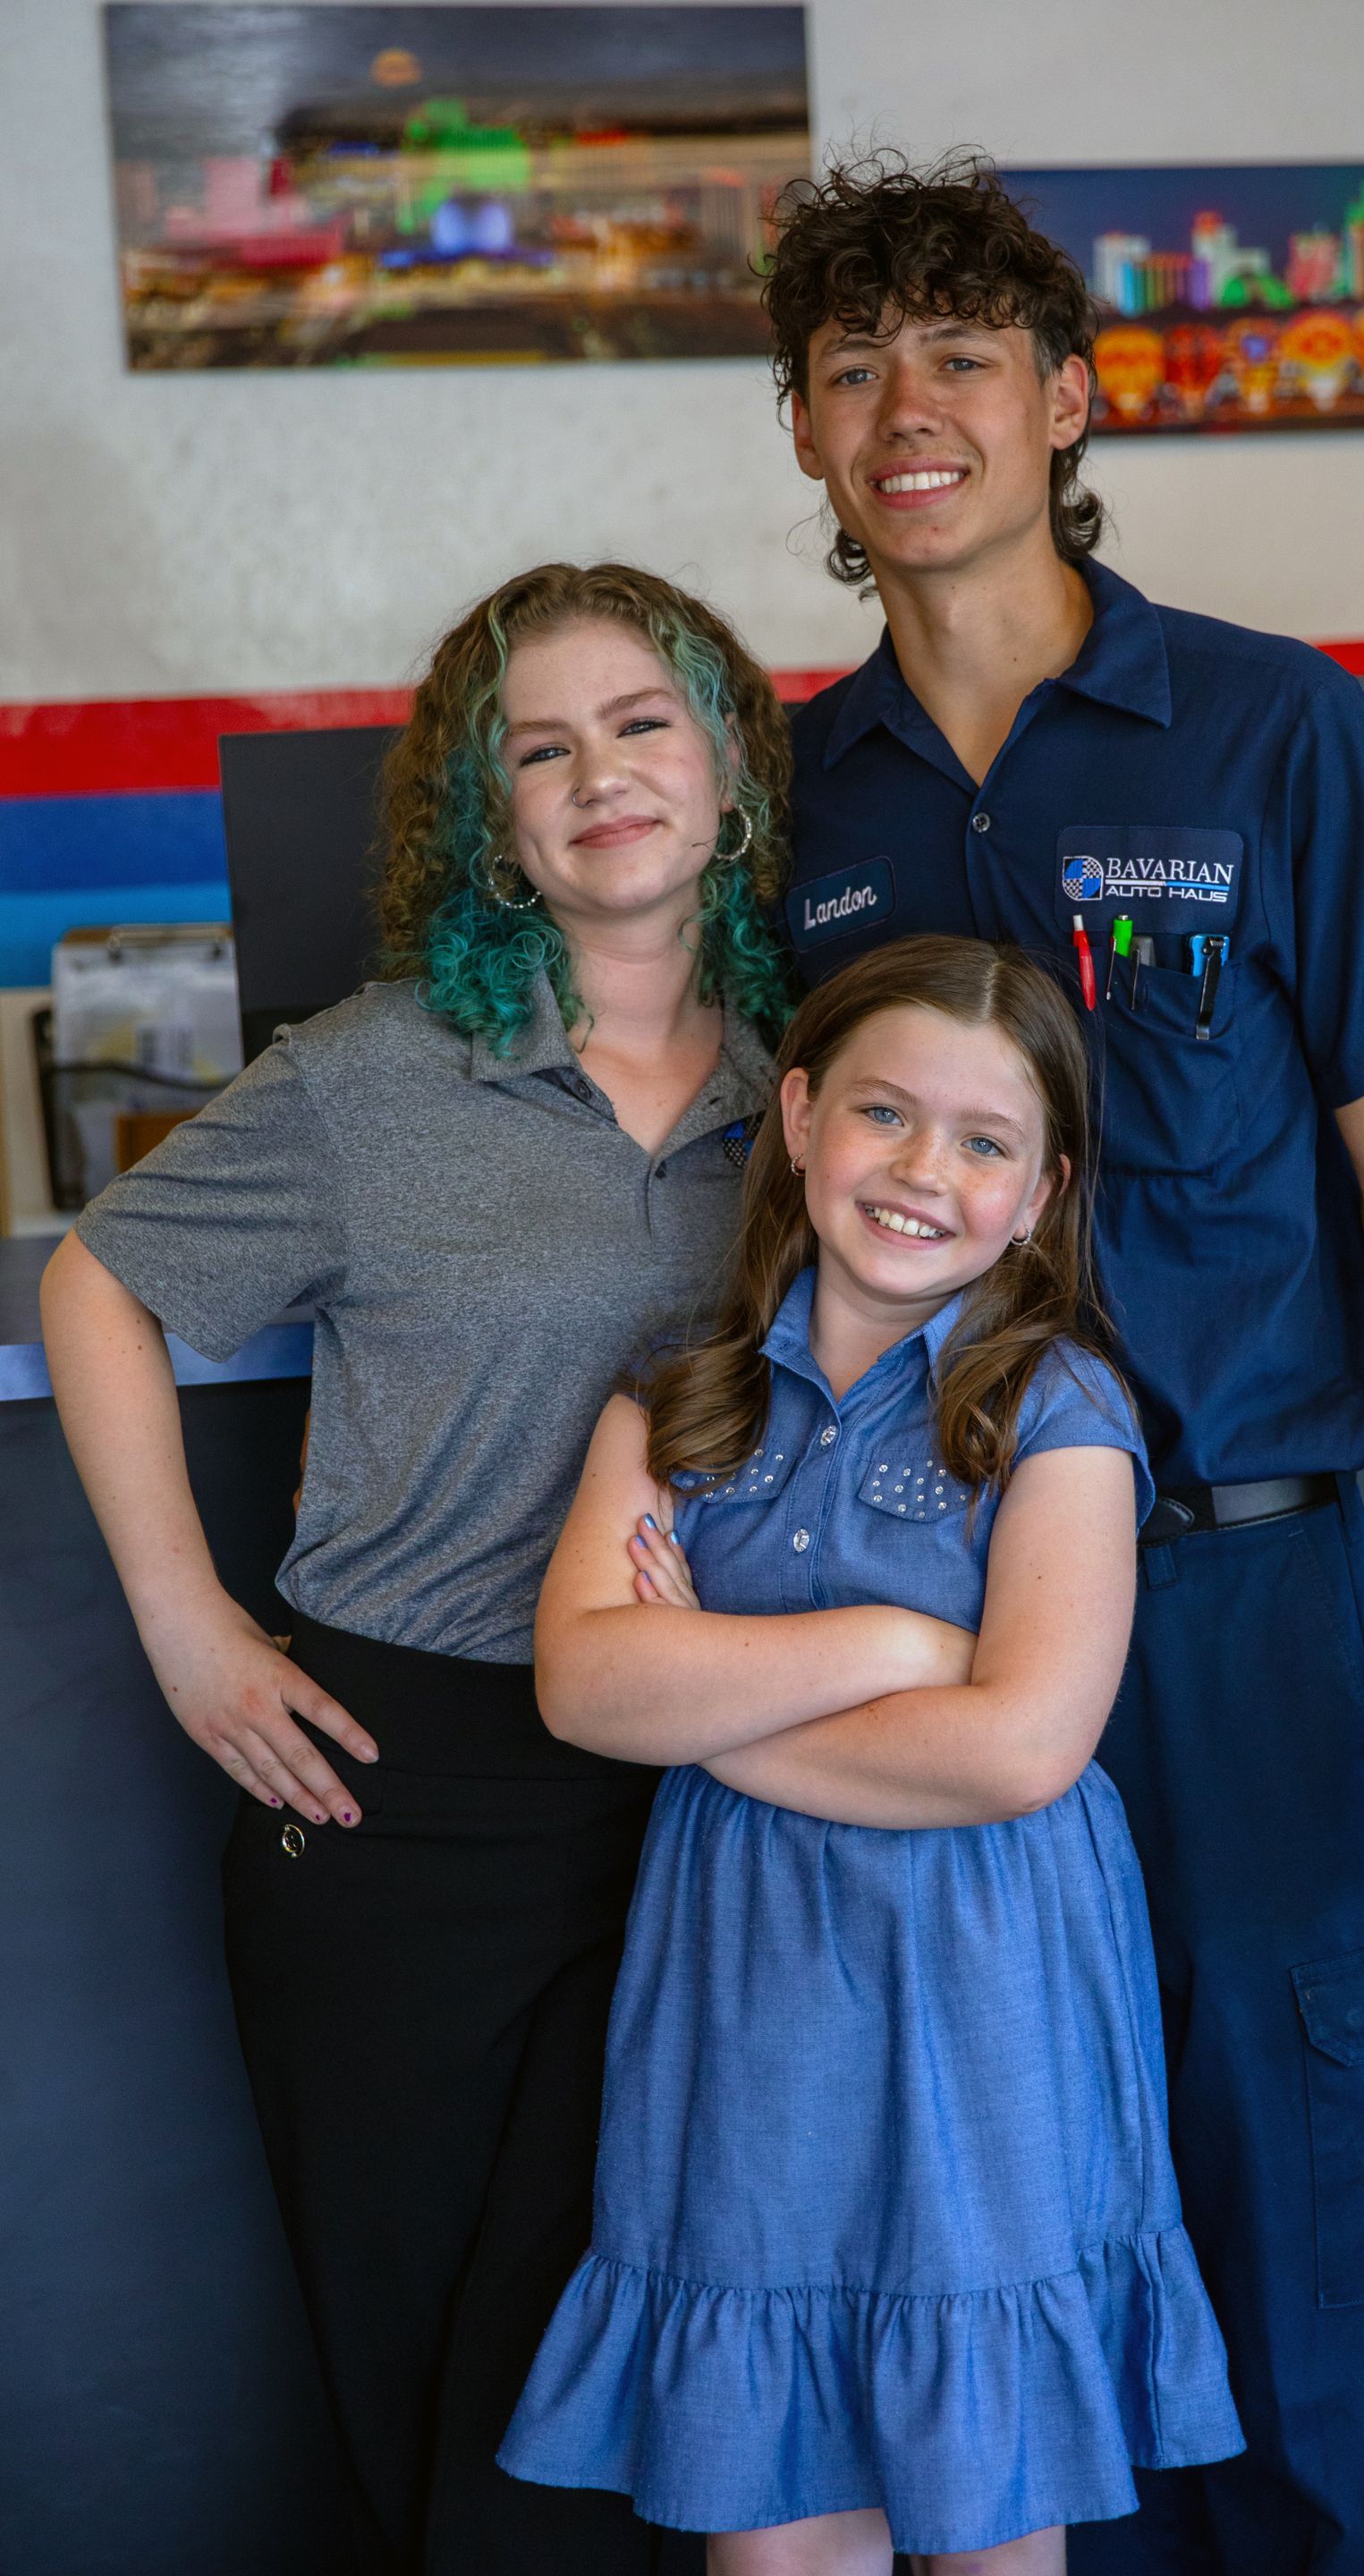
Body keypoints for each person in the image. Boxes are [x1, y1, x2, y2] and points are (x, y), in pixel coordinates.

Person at [756, 157, 1364, 2575]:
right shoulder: (794, 800)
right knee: (987, 2275)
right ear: (800, 431)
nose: (912, 409)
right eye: (855, 366)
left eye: (962, 355)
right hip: (911, 1639)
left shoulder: (1268, 733)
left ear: (1068, 399)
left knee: (1305, 2257)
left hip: (1238, 1626)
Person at [39, 562, 796, 2576]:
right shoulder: (374, 1076)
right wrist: (192, 1624)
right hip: (402, 1796)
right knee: (426, 2369)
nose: (600, 774)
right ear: (488, 823)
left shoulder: (816, 1093)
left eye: (642, 722)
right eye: (537, 749)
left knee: (650, 2367)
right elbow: (96, 1277)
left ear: (726, 766)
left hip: (701, 1788)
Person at [498, 936, 1241, 2570]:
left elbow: (1019, 1752)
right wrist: (899, 1653)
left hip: (987, 1987)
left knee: (985, 2506)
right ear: (798, 1113)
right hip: (749, 1995)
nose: (925, 1172)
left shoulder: (1061, 1410)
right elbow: (585, 1687)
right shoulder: (677, 1405)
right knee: (776, 2524)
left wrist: (714, 1708)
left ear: (1041, 1193)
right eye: (886, 1116)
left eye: (986, 1144)